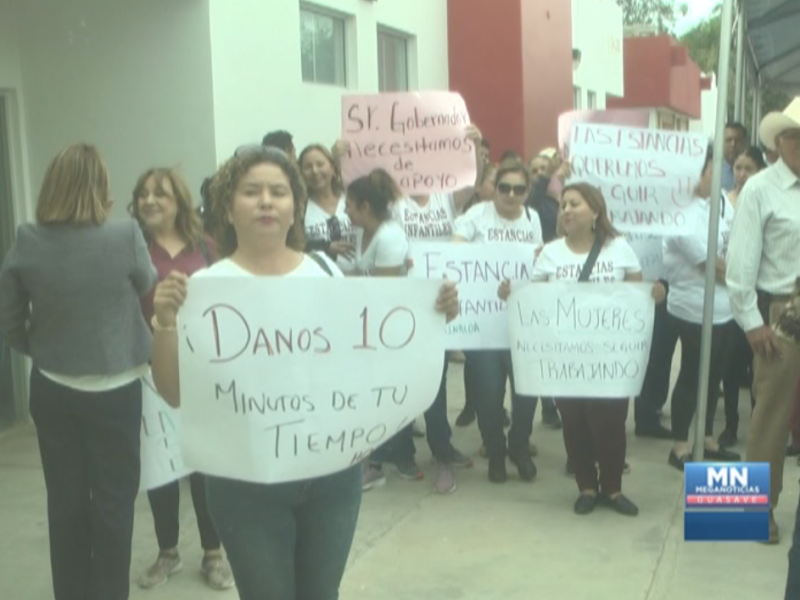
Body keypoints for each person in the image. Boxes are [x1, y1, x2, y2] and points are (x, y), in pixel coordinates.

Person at [148, 146, 459, 599]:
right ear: (228, 210)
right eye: (251, 192)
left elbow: (372, 358)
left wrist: (432, 317)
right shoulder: (203, 291)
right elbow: (175, 393)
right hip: (244, 484)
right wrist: (164, 325)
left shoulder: (326, 271)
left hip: (331, 477)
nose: (267, 201)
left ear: (295, 206)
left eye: (278, 191)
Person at [0, 143, 157, 600]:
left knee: (65, 502)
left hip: (53, 387)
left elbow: (9, 319)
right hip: (115, 389)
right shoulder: (126, 234)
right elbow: (146, 282)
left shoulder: (27, 237)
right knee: (113, 504)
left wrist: (43, 349)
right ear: (101, 189)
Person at [501, 183, 662, 516]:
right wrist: (513, 294)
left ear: (596, 211)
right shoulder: (550, 254)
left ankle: (613, 489)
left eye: (574, 203)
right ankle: (587, 487)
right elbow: (537, 299)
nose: (566, 210)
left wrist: (655, 293)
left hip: (611, 357)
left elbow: (637, 297)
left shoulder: (619, 249)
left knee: (611, 423)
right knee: (574, 421)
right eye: (563, 205)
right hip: (566, 357)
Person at [128, 167, 234, 591]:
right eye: (143, 194)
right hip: (148, 372)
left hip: (201, 371)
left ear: (180, 203)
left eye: (161, 194)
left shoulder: (206, 249)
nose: (150, 201)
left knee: (204, 463)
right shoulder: (130, 248)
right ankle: (167, 552)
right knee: (160, 466)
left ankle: (213, 554)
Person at [728, 97, 800, 546]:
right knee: (770, 417)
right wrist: (752, 322)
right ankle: (754, 511)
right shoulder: (759, 189)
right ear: (784, 140)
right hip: (782, 312)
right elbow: (740, 265)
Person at [454, 160, 543, 483]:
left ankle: (519, 444)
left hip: (521, 322)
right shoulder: (476, 216)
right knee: (488, 393)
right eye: (504, 187)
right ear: (494, 189)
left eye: (519, 189)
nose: (510, 194)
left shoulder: (532, 219)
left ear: (527, 192)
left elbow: (537, 266)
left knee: (526, 391)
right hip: (483, 323)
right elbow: (455, 251)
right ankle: (494, 448)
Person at [662, 148, 741, 470]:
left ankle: (706, 438)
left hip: (726, 308)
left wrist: (736, 274)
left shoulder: (718, 206)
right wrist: (741, 278)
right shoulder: (678, 212)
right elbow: (713, 265)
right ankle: (680, 445)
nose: (710, 176)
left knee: (715, 376)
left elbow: (736, 247)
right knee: (693, 375)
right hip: (692, 308)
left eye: (711, 170)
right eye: (705, 171)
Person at [342, 169, 414, 489]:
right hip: (365, 326)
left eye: (350, 205)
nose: (345, 210)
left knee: (384, 396)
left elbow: (385, 288)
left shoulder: (390, 236)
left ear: (365, 207)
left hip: (390, 328)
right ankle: (371, 459)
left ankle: (378, 462)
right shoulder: (361, 234)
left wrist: (351, 282)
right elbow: (358, 272)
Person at [718, 147, 767, 447]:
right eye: (737, 167)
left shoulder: (765, 201)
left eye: (748, 168)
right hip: (730, 298)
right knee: (730, 367)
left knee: (759, 370)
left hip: (760, 297)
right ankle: (731, 425)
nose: (741, 174)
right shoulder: (722, 203)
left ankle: (760, 428)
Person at [299, 144, 357, 272]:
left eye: (320, 164)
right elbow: (293, 247)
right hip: (320, 281)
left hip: (363, 279)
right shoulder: (298, 210)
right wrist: (324, 247)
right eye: (308, 167)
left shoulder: (353, 199)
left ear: (332, 168)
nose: (315, 171)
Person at [722, 122, 748, 191]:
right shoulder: (712, 171)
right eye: (728, 140)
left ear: (745, 143)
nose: (733, 144)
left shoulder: (754, 170)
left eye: (738, 140)